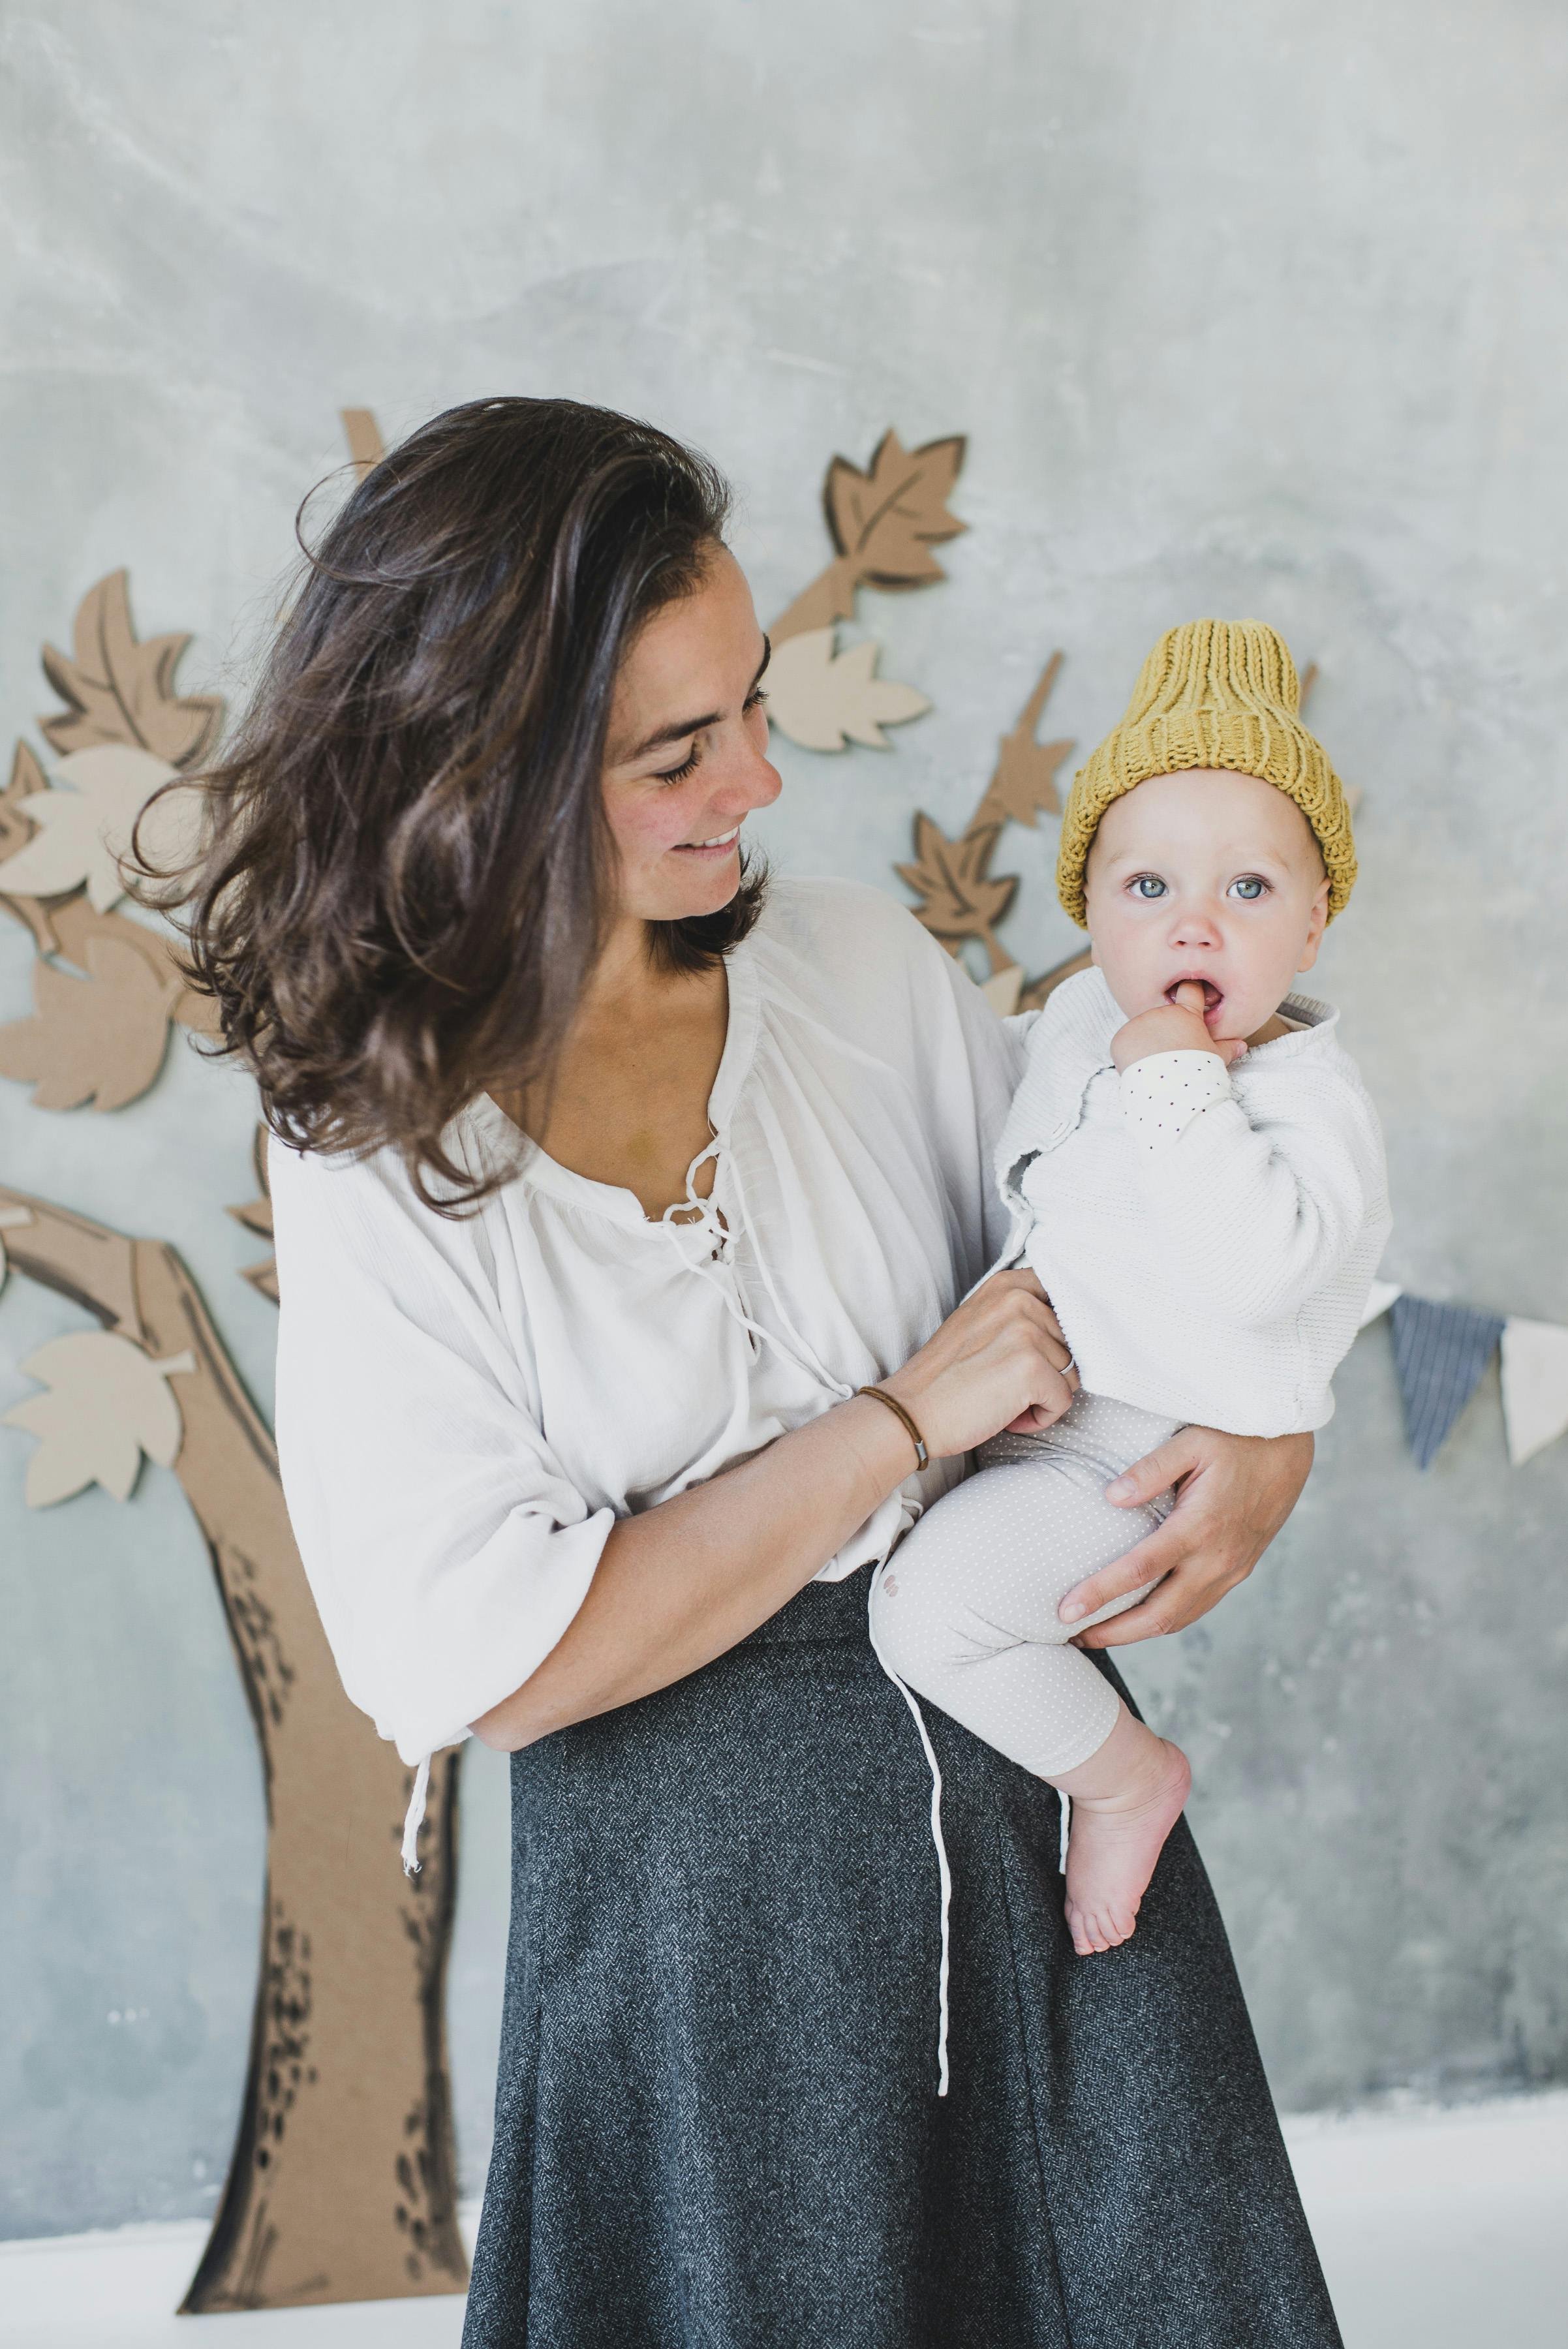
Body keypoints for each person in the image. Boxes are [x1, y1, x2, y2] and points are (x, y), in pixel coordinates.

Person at [174, 399, 1343, 2347]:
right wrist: (896, 1426)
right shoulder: (375, 1154)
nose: (761, 778)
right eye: (677, 749)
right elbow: (480, 1659)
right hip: (694, 1953)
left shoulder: (863, 976)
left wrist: (1269, 1433)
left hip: (1043, 1867)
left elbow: (1157, 1237)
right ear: (492, 781)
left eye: (752, 709)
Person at [870, 620, 1391, 1969]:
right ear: (1089, 909)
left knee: (923, 1615)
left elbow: (1265, 1266)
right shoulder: (1064, 1023)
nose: (1192, 924)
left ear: (1316, 921)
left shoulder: (1300, 1099)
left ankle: (1120, 1778)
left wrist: (1176, 1080)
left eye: (1250, 890)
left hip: (1133, 1457)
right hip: (1033, 1407)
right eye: (1146, 885)